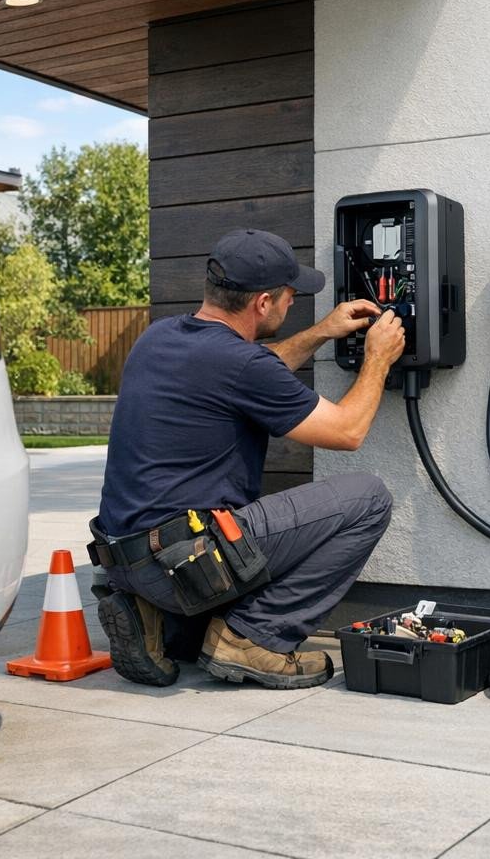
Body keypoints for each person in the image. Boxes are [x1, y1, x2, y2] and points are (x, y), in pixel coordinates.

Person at [92, 228, 406, 689]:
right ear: (263, 303)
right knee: (370, 499)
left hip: (126, 560)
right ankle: (253, 637)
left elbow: (255, 367)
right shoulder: (240, 365)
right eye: (289, 296)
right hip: (185, 561)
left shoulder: (158, 339)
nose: (292, 303)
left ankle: (152, 614)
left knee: (192, 620)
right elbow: (347, 430)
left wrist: (322, 332)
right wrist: (378, 357)